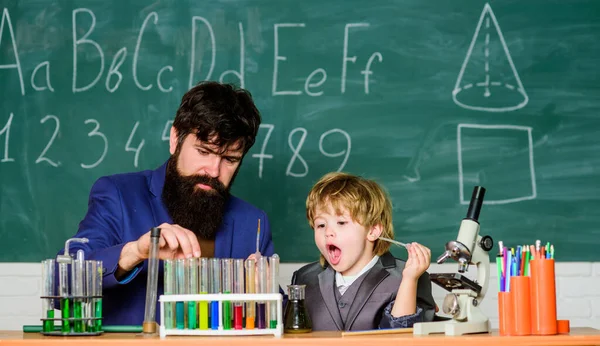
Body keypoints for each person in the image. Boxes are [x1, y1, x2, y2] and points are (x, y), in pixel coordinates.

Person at [57, 81, 274, 326]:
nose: (214, 171)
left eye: (230, 159)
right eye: (204, 152)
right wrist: (135, 252)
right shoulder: (118, 195)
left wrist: (265, 289)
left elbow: (278, 320)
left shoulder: (253, 222)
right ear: (175, 139)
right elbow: (61, 284)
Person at [291, 172, 436, 331]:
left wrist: (409, 281)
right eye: (320, 225)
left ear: (373, 230)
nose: (328, 232)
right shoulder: (304, 278)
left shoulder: (408, 277)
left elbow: (402, 338)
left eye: (341, 222)